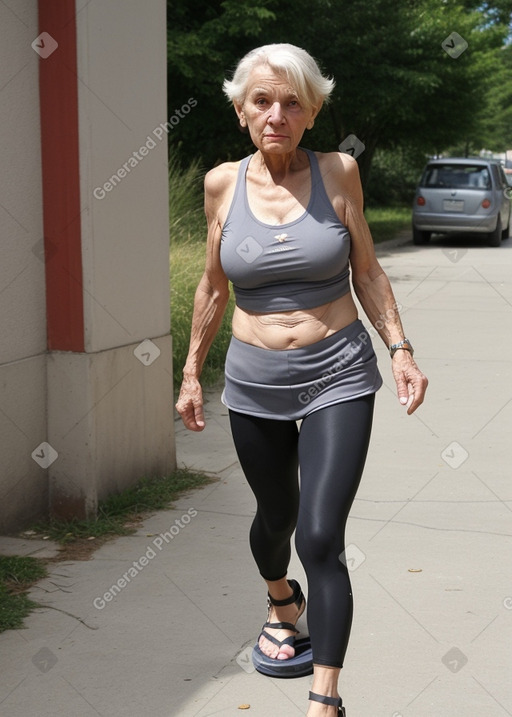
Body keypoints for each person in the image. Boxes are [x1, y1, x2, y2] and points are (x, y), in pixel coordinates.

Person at [175, 43, 428, 717]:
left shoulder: (339, 172)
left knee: (320, 534)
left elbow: (368, 271)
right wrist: (192, 373)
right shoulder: (220, 186)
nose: (276, 114)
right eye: (263, 101)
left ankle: (326, 698)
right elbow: (210, 286)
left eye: (293, 102)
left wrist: (399, 348)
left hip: (338, 372)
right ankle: (281, 596)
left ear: (313, 112)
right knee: (276, 518)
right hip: (255, 381)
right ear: (240, 111)